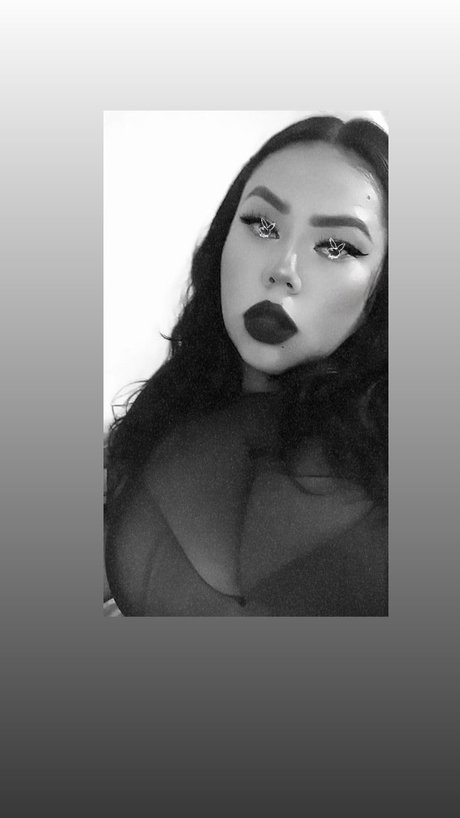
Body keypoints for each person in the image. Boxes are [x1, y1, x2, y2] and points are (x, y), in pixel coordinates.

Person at [105, 114, 388, 616]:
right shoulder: (160, 417)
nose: (283, 270)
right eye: (263, 224)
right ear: (223, 239)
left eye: (337, 246)